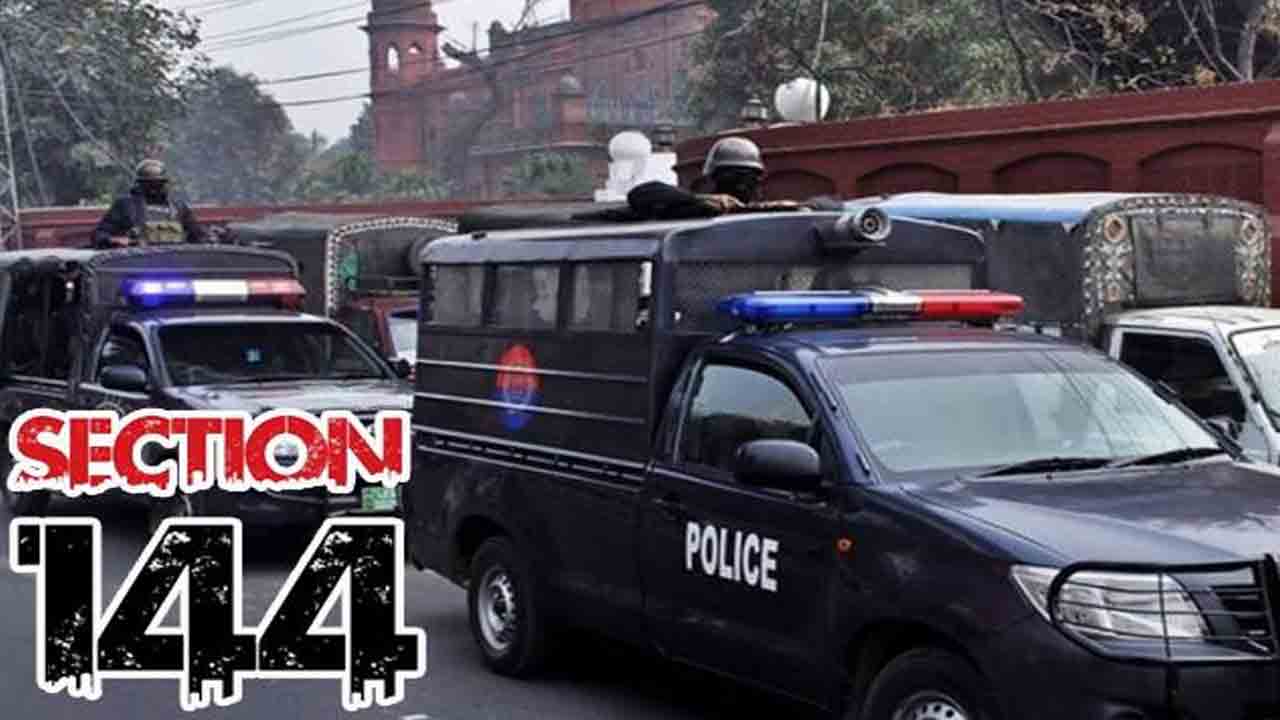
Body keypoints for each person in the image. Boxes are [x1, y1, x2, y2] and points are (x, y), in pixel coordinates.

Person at [93, 159, 206, 249]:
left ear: (164, 183)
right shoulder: (125, 205)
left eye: (158, 183)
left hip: (174, 260)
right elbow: (99, 235)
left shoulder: (178, 207)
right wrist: (115, 240)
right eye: (149, 183)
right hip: (137, 261)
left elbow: (198, 236)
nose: (154, 188)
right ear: (140, 184)